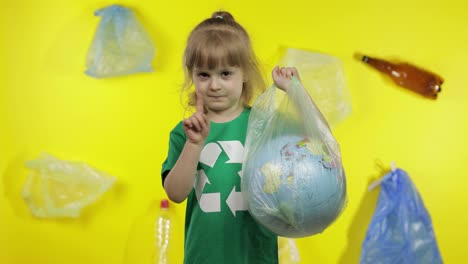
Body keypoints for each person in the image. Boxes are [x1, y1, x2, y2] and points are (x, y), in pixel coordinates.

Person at [161, 10, 301, 264]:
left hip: (256, 257)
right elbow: (176, 193)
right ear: (191, 75)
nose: (214, 85)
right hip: (203, 257)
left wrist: (296, 93)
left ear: (245, 72)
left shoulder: (264, 124)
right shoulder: (186, 131)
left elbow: (313, 143)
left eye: (225, 74)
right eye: (204, 74)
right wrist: (194, 144)